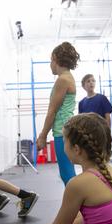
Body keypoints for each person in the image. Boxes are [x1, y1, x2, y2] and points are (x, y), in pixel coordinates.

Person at [9, 113, 112, 224]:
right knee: (78, 217)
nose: (63, 146)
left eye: (64, 141)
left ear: (76, 149)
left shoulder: (78, 184)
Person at [36, 42, 80, 185]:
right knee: (68, 173)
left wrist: (43, 136)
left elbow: (52, 111)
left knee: (67, 174)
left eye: (51, 60)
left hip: (63, 132)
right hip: (65, 130)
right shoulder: (68, 77)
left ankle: (79, 207)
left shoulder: (62, 79)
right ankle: (78, 207)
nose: (50, 64)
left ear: (56, 59)